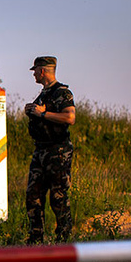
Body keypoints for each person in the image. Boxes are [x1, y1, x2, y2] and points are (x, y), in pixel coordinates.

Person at [24, 56, 77, 244]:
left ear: (43, 71)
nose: (34, 74)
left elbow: (70, 117)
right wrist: (32, 111)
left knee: (58, 197)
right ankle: (35, 238)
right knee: (33, 195)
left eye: (35, 71)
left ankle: (64, 239)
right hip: (41, 151)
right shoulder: (43, 94)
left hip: (58, 151)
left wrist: (43, 113)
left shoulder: (61, 92)